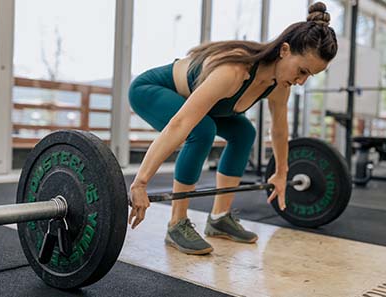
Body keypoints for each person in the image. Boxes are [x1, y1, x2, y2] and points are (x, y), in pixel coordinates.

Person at [127, 2, 337, 255]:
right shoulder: (235, 72)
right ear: (284, 50)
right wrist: (140, 183)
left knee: (244, 132)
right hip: (152, 90)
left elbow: (280, 130)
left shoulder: (281, 85)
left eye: (309, 76)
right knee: (201, 131)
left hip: (204, 106)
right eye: (301, 71)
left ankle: (219, 218)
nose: (301, 81)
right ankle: (177, 223)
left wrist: (281, 172)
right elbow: (181, 123)